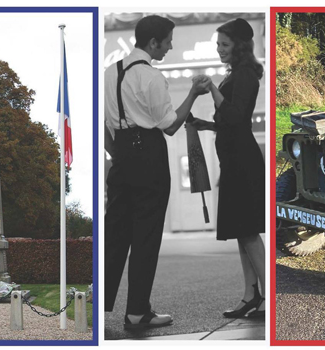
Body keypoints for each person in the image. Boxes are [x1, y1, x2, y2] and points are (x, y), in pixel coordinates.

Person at [104, 15, 210, 329]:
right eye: (168, 41)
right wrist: (192, 93)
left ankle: (98, 304)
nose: (170, 46)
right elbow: (170, 126)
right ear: (153, 42)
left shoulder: (110, 72)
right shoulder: (152, 77)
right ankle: (137, 313)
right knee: (146, 236)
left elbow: (104, 127)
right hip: (148, 155)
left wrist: (119, 154)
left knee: (116, 233)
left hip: (121, 156)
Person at [192, 18, 265, 319]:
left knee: (247, 231)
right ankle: (251, 295)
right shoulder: (236, 74)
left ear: (239, 46)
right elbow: (227, 123)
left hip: (243, 162)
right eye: (218, 45)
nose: (219, 50)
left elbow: (236, 117)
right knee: (241, 230)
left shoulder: (246, 74)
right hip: (234, 161)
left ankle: (270, 296)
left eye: (224, 44)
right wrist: (205, 124)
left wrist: (211, 89)